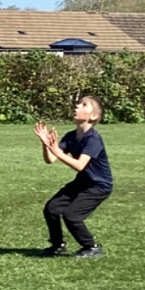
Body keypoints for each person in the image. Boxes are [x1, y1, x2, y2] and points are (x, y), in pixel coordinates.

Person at [34, 95, 113, 258]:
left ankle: (91, 247)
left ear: (93, 116)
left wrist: (56, 150)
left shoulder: (93, 139)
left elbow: (79, 165)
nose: (77, 106)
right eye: (78, 104)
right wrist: (46, 144)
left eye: (84, 105)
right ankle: (57, 245)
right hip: (82, 182)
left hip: (99, 186)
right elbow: (50, 159)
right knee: (52, 208)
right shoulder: (71, 136)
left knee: (72, 215)